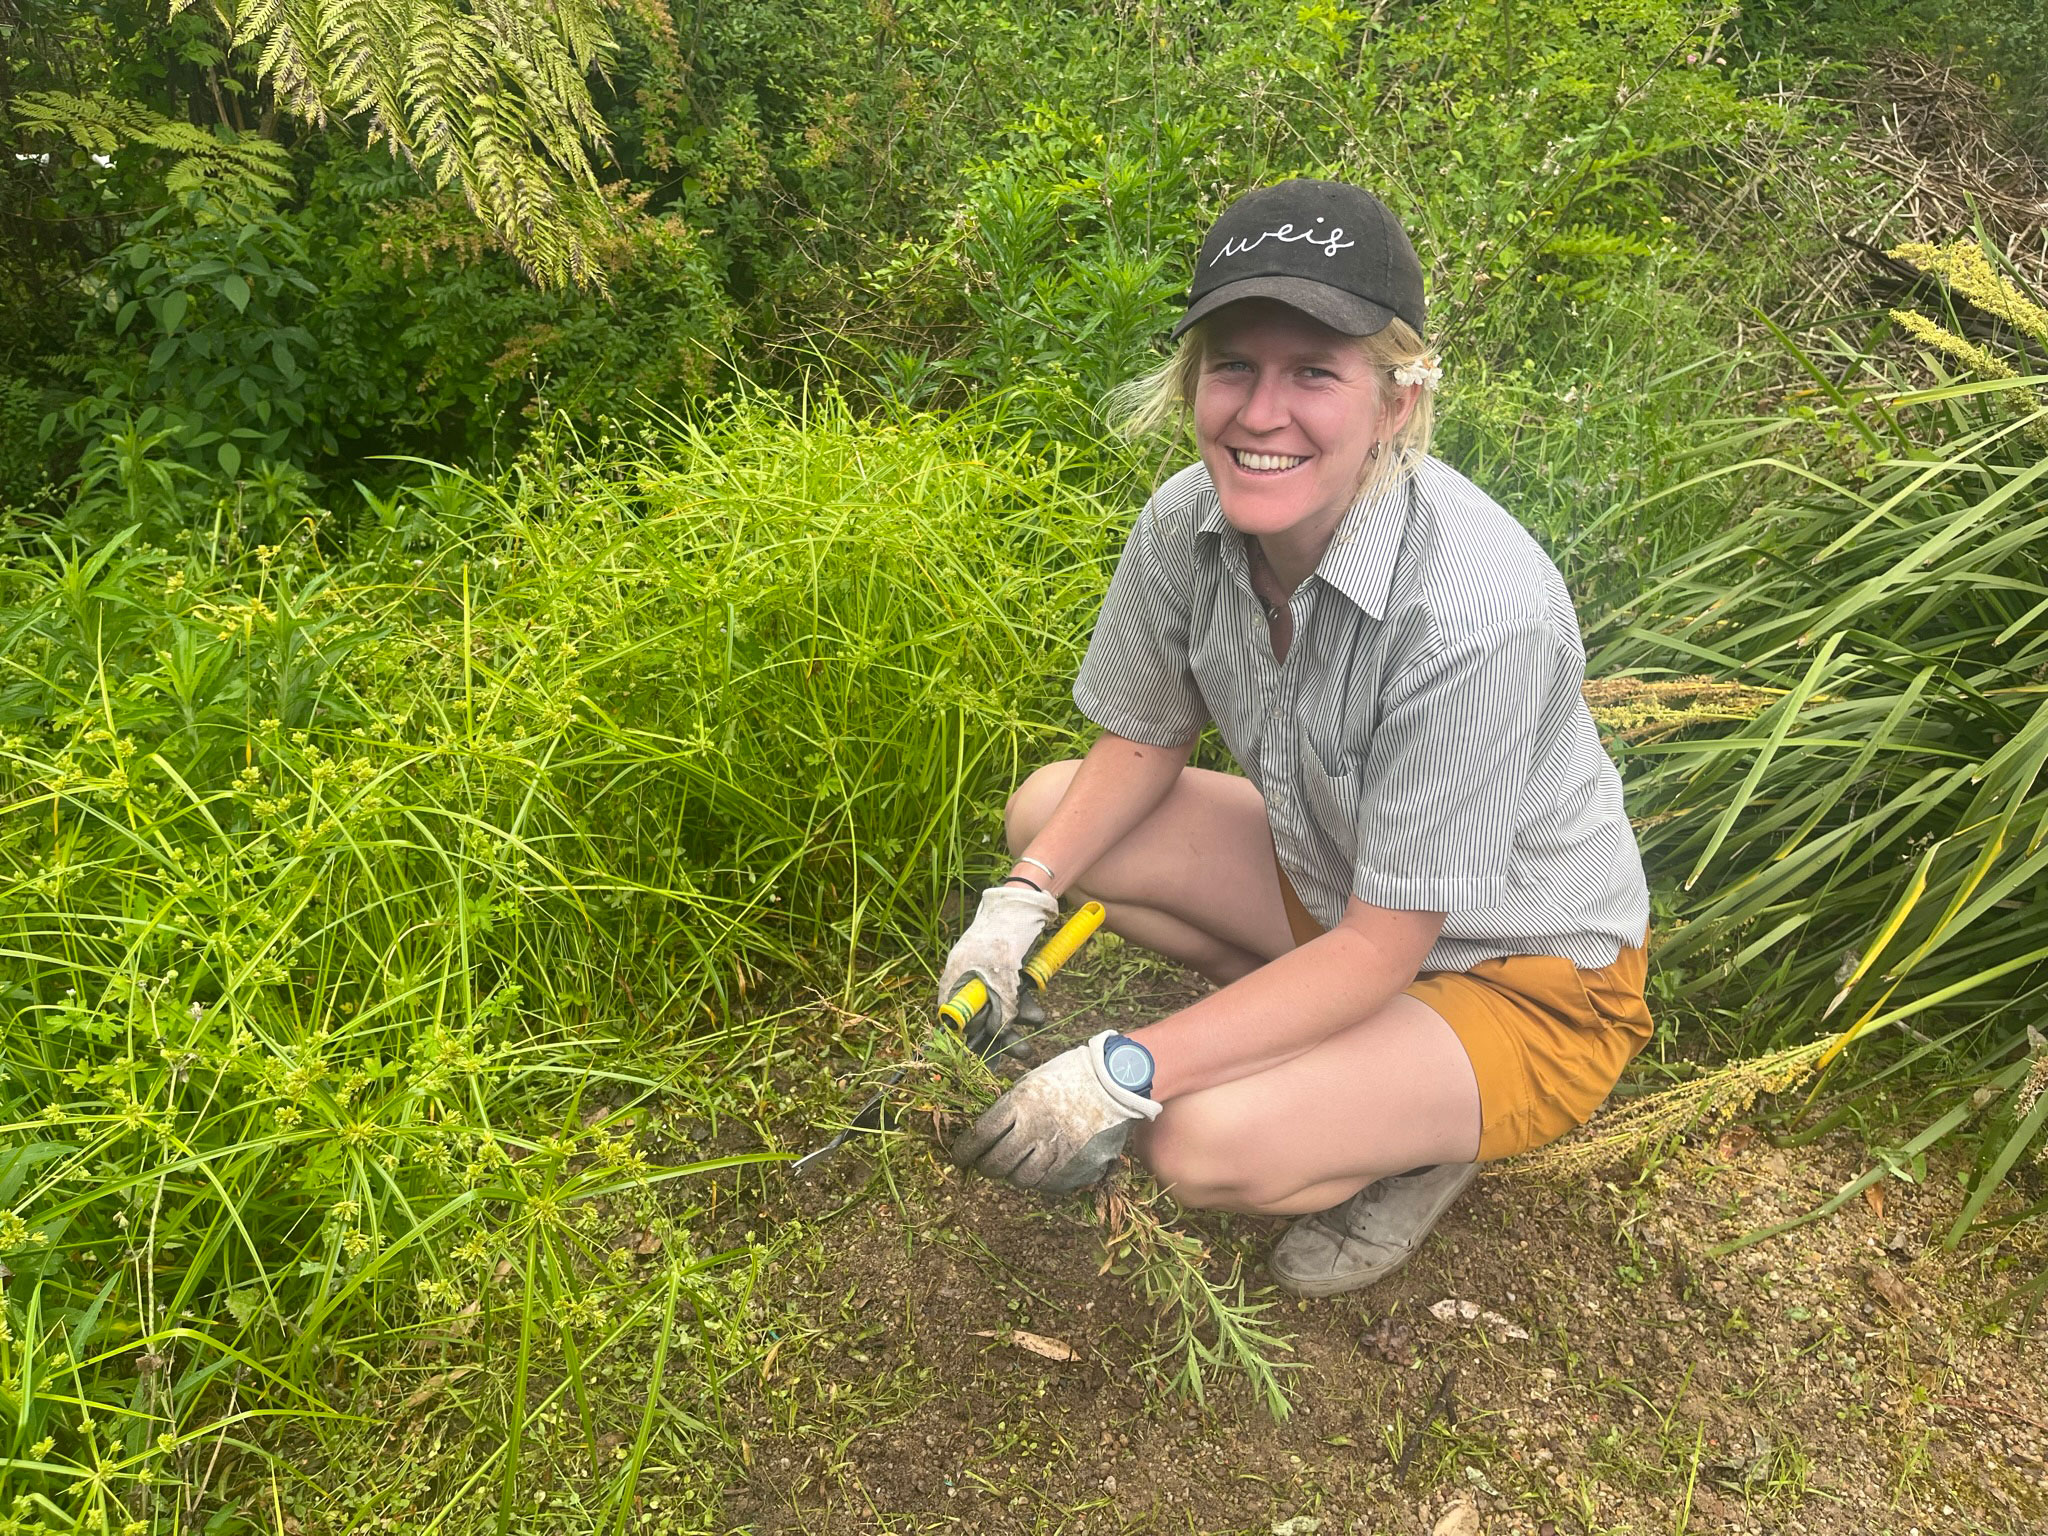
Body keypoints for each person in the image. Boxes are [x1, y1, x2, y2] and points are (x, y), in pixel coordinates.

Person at [938, 179, 1652, 1298]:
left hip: (1523, 976)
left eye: (1313, 372)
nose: (1260, 414)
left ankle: (1420, 1132)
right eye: (1232, 367)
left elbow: (1382, 949)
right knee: (1050, 811)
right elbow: (1139, 742)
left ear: (1396, 400)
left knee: (1195, 1141)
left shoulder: (1473, 611)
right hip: (1342, 887)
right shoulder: (1187, 520)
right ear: (1192, 384)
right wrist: (1020, 898)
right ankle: (1343, 1066)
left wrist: (1120, 1068)